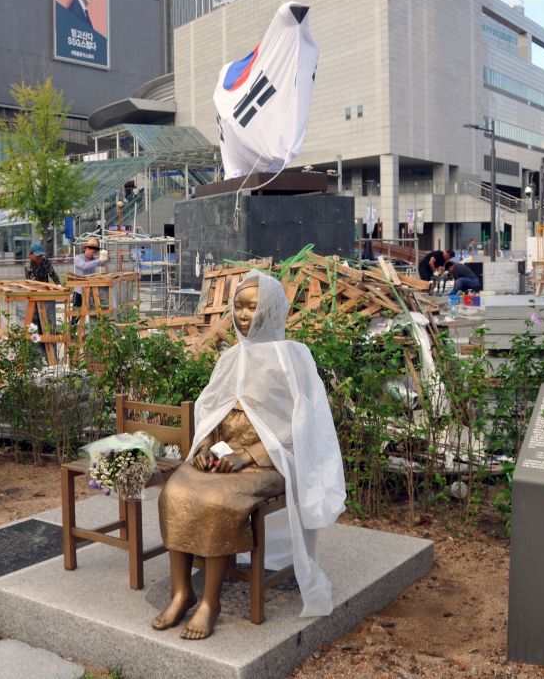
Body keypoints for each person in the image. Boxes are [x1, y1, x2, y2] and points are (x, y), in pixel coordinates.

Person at [152, 272, 345, 639]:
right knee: (175, 491)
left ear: (269, 310)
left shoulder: (292, 357)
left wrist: (251, 455)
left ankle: (210, 603)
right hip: (222, 455)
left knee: (216, 500)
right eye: (238, 307)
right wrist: (205, 447)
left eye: (252, 307)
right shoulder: (230, 357)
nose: (242, 315)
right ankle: (181, 592)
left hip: (271, 462)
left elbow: (303, 424)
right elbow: (213, 409)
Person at [71, 237, 106, 309]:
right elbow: (84, 266)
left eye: (95, 253)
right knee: (76, 312)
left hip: (91, 290)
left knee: (92, 310)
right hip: (79, 290)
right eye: (92, 252)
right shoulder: (78, 258)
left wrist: (104, 257)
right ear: (87, 249)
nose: (93, 254)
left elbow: (102, 264)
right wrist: (99, 260)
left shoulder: (94, 259)